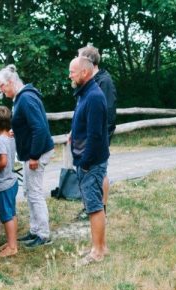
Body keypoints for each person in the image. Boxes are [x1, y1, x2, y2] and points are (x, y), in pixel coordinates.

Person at [0, 65, 55, 248]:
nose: (1, 91)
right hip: (30, 152)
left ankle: (43, 234)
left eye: (1, 86)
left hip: (37, 152)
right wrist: (15, 131)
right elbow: (26, 124)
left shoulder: (26, 98)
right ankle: (34, 230)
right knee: (29, 191)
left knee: (34, 193)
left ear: (11, 82)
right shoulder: (21, 98)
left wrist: (34, 156)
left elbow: (40, 128)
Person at [68, 57, 110, 265]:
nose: (70, 76)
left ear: (84, 72)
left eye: (72, 72)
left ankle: (98, 251)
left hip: (91, 161)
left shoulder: (93, 96)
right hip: (86, 160)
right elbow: (83, 123)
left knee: (94, 206)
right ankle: (100, 245)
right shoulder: (84, 93)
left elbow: (95, 135)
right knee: (93, 205)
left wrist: (84, 163)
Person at [76, 45, 117, 220]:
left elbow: (108, 111)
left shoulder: (104, 81)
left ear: (88, 62)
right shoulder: (86, 83)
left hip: (99, 135)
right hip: (86, 135)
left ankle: (101, 206)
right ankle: (90, 205)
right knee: (90, 173)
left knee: (101, 171)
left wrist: (102, 138)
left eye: (79, 59)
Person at [0, 106, 19, 257]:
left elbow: (3, 162)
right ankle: (11, 242)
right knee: (12, 213)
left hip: (3, 184)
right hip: (12, 181)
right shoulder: (10, 136)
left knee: (6, 216)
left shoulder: (0, 140)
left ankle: (12, 247)